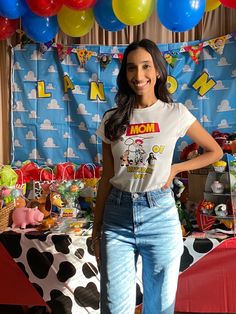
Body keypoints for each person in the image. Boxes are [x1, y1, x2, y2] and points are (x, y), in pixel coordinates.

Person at [92, 38, 223, 314]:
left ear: (158, 71)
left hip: (160, 216)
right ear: (124, 74)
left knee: (160, 307)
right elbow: (107, 177)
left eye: (146, 66)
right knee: (114, 308)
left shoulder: (175, 113)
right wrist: (97, 227)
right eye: (131, 68)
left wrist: (176, 169)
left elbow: (215, 151)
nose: (138, 76)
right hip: (117, 219)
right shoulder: (112, 119)